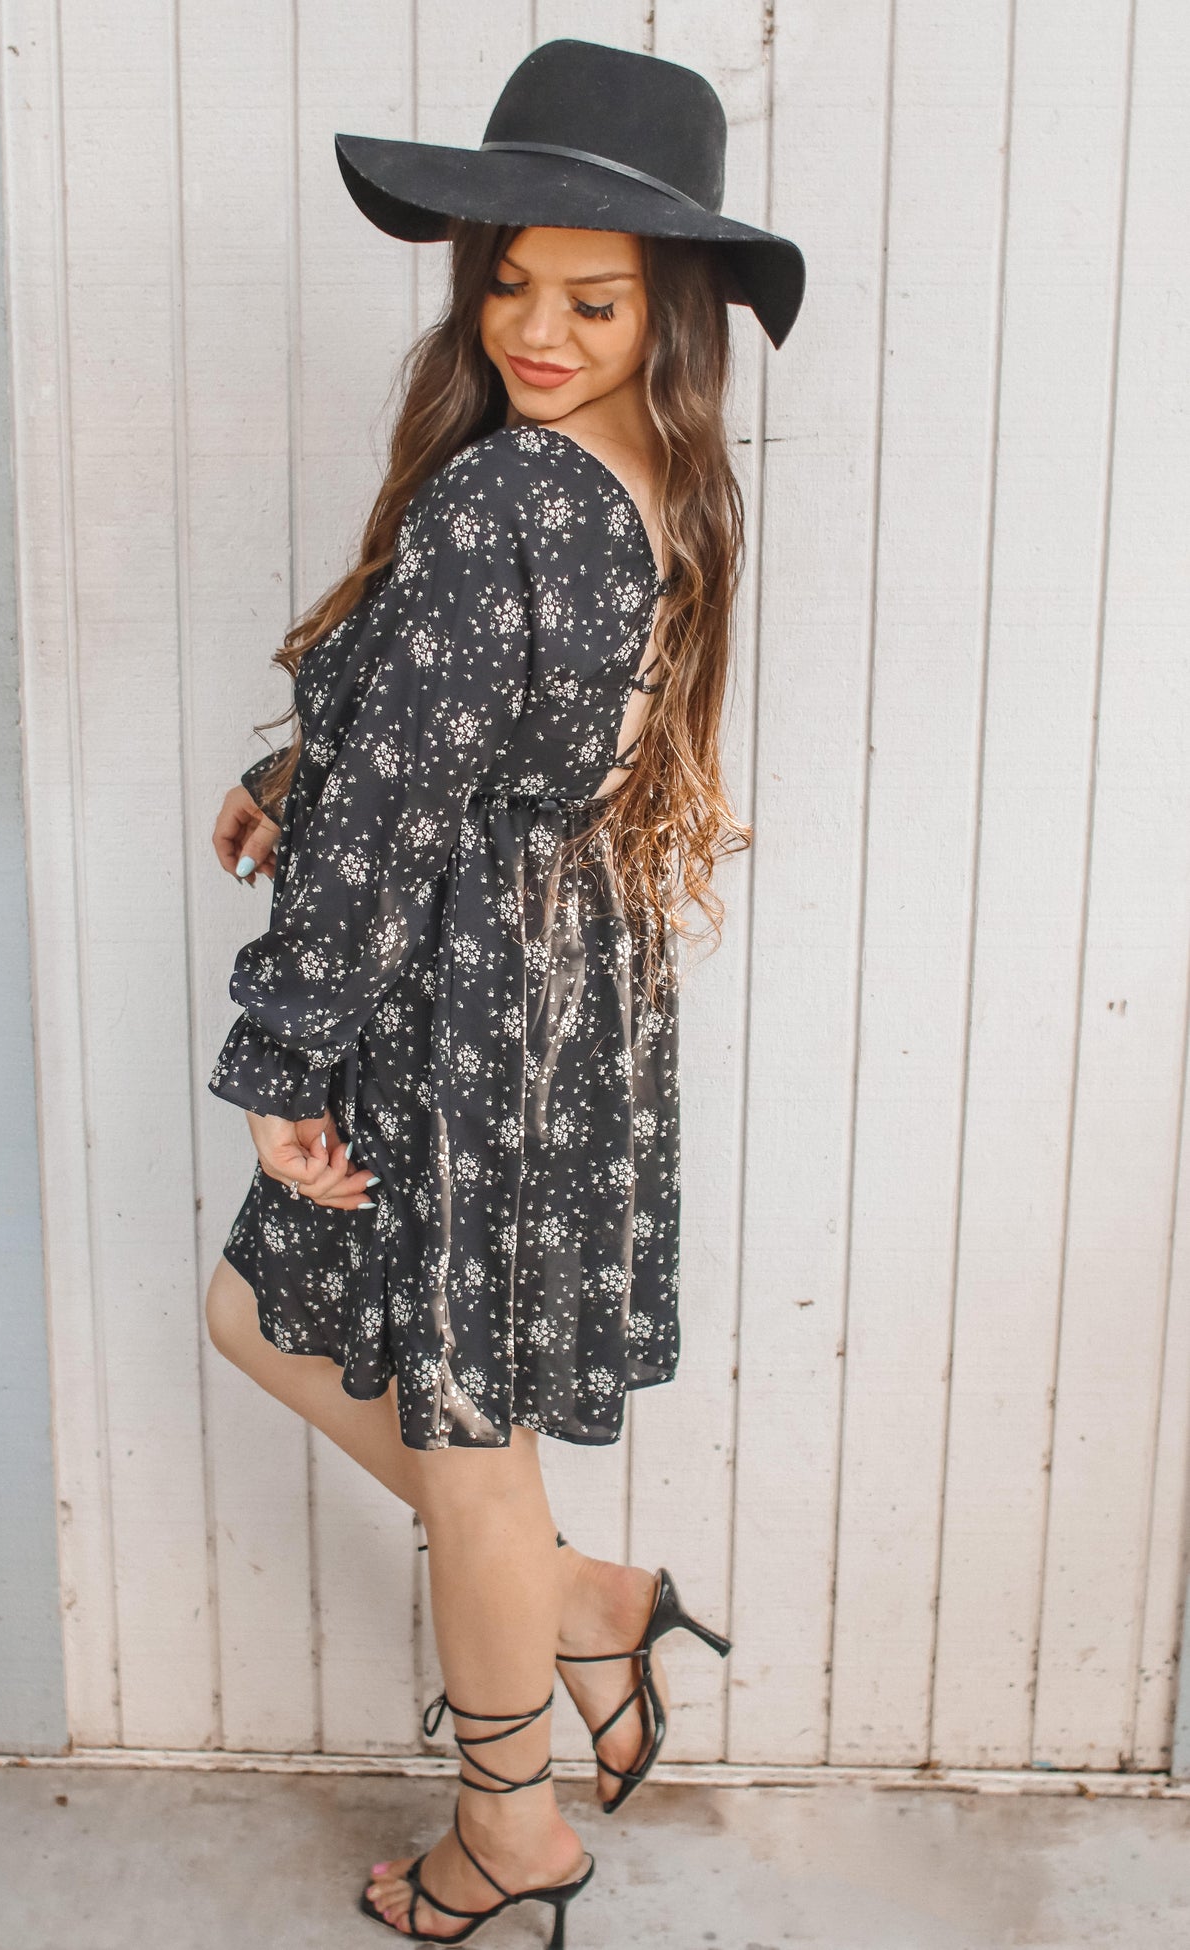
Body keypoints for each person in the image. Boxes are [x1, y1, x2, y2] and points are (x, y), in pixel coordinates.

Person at [203, 38, 803, 1947]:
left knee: (463, 1449)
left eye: (594, 300)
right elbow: (480, 727)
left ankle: (511, 1827)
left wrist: (286, 1059)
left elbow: (406, 811)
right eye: (512, 281)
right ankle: (591, 1602)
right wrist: (298, 764)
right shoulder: (654, 478)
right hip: (561, 991)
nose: (538, 330)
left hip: (462, 1005)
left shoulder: (512, 498)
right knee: (286, 1331)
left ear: (669, 308)